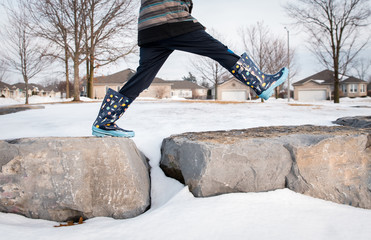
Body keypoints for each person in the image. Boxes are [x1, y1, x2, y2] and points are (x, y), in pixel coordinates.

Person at [92, 0, 289, 138]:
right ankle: (260, 82)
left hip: (149, 28)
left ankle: (105, 120)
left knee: (143, 77)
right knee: (220, 51)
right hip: (172, 20)